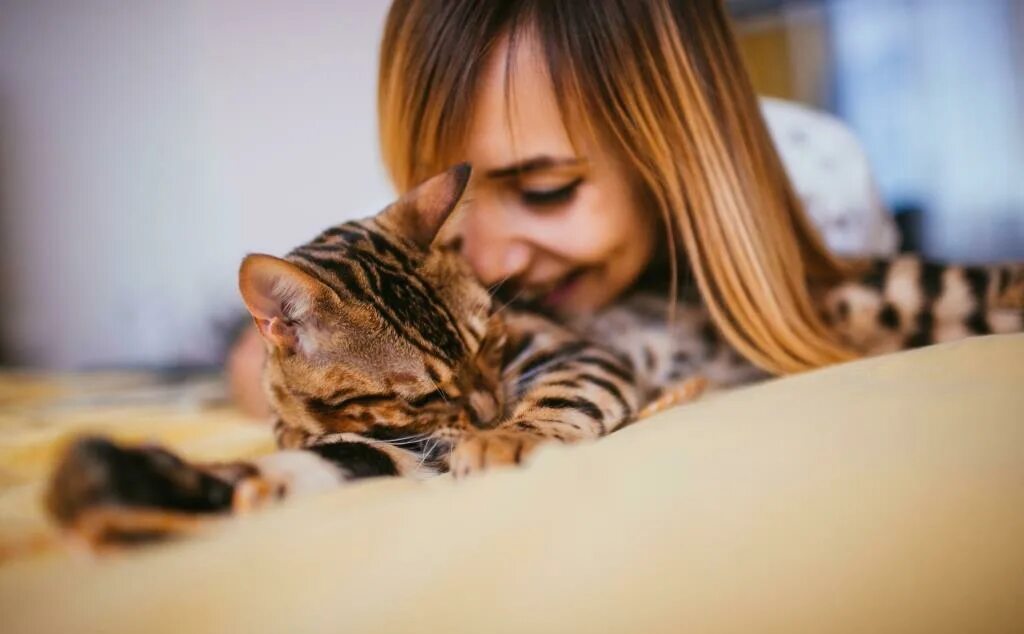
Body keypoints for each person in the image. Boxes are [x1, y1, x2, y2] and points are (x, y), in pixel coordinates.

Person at [228, 0, 898, 417]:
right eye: (455, 206)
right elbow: (252, 361)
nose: (489, 261)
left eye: (546, 190)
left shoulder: (819, 173)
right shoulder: (418, 247)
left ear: (675, 149)